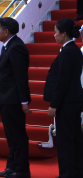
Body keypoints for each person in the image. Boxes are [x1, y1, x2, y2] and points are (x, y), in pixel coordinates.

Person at [43, 18, 83, 178]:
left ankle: (66, 174)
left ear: (64, 34)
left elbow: (62, 80)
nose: (54, 35)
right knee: (75, 139)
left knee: (65, 141)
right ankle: (76, 172)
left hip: (66, 103)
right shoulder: (75, 50)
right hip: (74, 100)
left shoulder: (67, 52)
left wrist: (54, 104)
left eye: (56, 32)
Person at [0, 18, 32, 178]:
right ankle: (12, 167)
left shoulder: (16, 48)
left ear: (6, 31)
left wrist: (24, 102)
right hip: (6, 99)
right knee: (11, 135)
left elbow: (20, 76)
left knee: (17, 136)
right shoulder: (9, 45)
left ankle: (22, 170)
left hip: (14, 100)